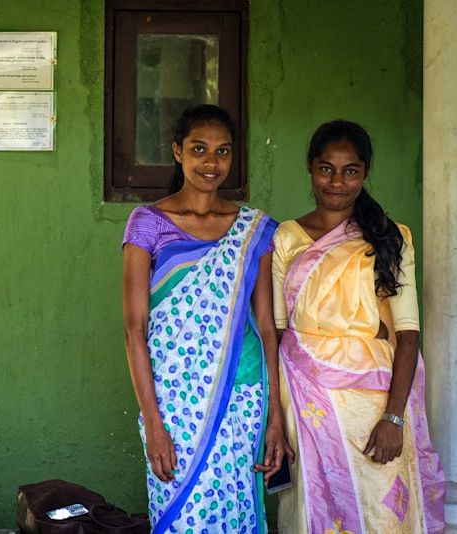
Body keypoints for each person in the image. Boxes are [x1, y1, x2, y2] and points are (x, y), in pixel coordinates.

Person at [122, 104, 292, 533]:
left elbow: (267, 327)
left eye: (223, 151)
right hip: (175, 401)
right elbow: (134, 330)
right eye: (199, 149)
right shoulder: (148, 225)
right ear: (178, 152)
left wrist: (276, 417)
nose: (211, 162)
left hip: (242, 394)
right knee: (181, 514)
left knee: (237, 512)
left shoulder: (254, 229)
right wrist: (154, 424)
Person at [273, 120, 446, 533]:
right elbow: (280, 331)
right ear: (310, 169)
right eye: (326, 168)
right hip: (307, 400)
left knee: (384, 512)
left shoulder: (390, 238)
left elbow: (407, 335)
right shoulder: (286, 238)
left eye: (350, 170)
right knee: (314, 508)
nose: (337, 181)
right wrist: (274, 419)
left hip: (375, 409)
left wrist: (394, 418)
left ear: (365, 172)